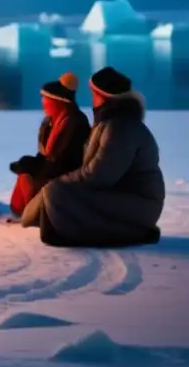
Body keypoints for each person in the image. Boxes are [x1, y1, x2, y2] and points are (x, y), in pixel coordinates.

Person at [22, 67, 164, 247]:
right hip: (121, 197)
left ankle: (130, 233)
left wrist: (60, 183)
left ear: (103, 96)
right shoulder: (108, 124)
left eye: (93, 93)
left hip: (138, 205)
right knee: (56, 190)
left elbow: (99, 176)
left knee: (56, 192)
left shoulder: (120, 128)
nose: (91, 98)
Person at [8, 72, 91, 216]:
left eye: (47, 99)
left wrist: (35, 167)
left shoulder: (75, 123)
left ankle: (39, 212)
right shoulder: (50, 122)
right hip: (52, 169)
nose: (43, 102)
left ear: (58, 102)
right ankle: (29, 209)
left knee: (28, 178)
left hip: (66, 176)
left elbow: (67, 160)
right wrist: (30, 162)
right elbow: (46, 154)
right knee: (24, 177)